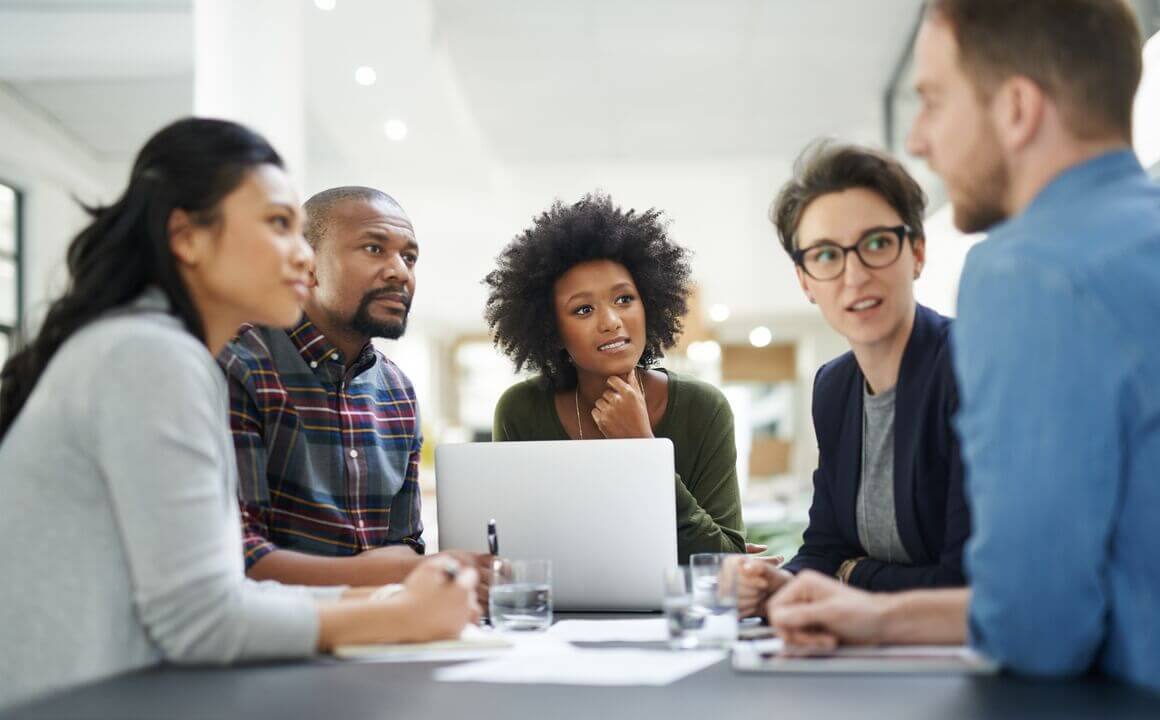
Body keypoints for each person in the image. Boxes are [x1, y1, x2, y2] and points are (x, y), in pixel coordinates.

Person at [0, 119, 478, 707]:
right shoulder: (150, 356)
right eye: (279, 225)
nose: (302, 255)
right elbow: (202, 620)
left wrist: (390, 601)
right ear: (187, 238)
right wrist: (399, 616)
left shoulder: (154, 348)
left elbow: (213, 596)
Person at [768, 0, 1160, 693]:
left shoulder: (1029, 270)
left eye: (933, 102)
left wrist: (869, 608)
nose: (919, 139)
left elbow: (1039, 626)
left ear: (1017, 109)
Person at [218, 186, 490, 595]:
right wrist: (398, 572)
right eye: (374, 249)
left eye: (409, 257)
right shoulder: (240, 364)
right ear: (306, 265)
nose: (400, 272)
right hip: (280, 625)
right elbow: (237, 557)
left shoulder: (398, 391)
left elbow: (404, 544)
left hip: (383, 618)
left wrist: (426, 575)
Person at [736, 142, 968, 617]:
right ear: (805, 280)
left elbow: (965, 579)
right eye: (826, 255)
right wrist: (778, 584)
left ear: (916, 252)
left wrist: (853, 574)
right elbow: (825, 547)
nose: (855, 275)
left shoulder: (968, 364)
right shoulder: (834, 388)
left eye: (877, 244)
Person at [484, 193, 748, 562]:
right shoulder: (520, 411)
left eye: (624, 299)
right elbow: (513, 553)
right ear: (553, 330)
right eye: (583, 309)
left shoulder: (703, 408)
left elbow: (725, 560)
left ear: (648, 305)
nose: (611, 321)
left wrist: (644, 448)